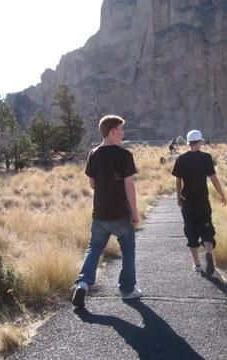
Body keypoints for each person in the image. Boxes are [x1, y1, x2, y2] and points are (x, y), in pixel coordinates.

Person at [72, 115, 141, 309]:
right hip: (120, 214)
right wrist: (134, 211)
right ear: (111, 132)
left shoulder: (93, 154)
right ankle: (127, 289)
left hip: (100, 214)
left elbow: (92, 184)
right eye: (120, 129)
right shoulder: (124, 155)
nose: (123, 133)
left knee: (94, 249)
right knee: (128, 250)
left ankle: (83, 283)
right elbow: (129, 186)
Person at [171, 129, 227, 275]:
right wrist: (222, 194)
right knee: (207, 228)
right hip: (203, 200)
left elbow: (178, 181)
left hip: (187, 201)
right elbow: (213, 178)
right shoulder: (206, 158)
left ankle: (197, 264)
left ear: (189, 143)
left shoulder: (181, 159)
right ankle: (208, 253)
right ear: (200, 142)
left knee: (191, 231)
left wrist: (178, 197)